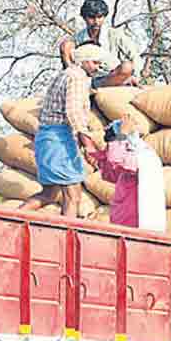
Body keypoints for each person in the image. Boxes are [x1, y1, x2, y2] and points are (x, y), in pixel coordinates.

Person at [21, 43, 112, 218]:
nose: (97, 67)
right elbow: (74, 112)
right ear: (83, 61)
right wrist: (89, 145)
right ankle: (65, 240)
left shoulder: (66, 74)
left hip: (48, 138)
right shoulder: (77, 77)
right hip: (59, 139)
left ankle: (8, 219)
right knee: (73, 196)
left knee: (49, 194)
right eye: (94, 63)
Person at [58, 0, 143, 88]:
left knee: (127, 67)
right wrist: (81, 67)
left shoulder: (114, 34)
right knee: (65, 45)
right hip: (86, 78)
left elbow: (135, 56)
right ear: (84, 17)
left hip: (111, 76)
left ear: (104, 16)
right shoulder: (78, 38)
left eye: (99, 17)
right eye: (91, 17)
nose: (96, 22)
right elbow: (69, 60)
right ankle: (77, 83)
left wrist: (135, 76)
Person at [90, 121, 140, 229]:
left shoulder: (142, 156)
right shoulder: (125, 158)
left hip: (134, 222)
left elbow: (116, 160)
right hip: (121, 218)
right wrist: (100, 157)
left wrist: (121, 135)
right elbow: (109, 175)